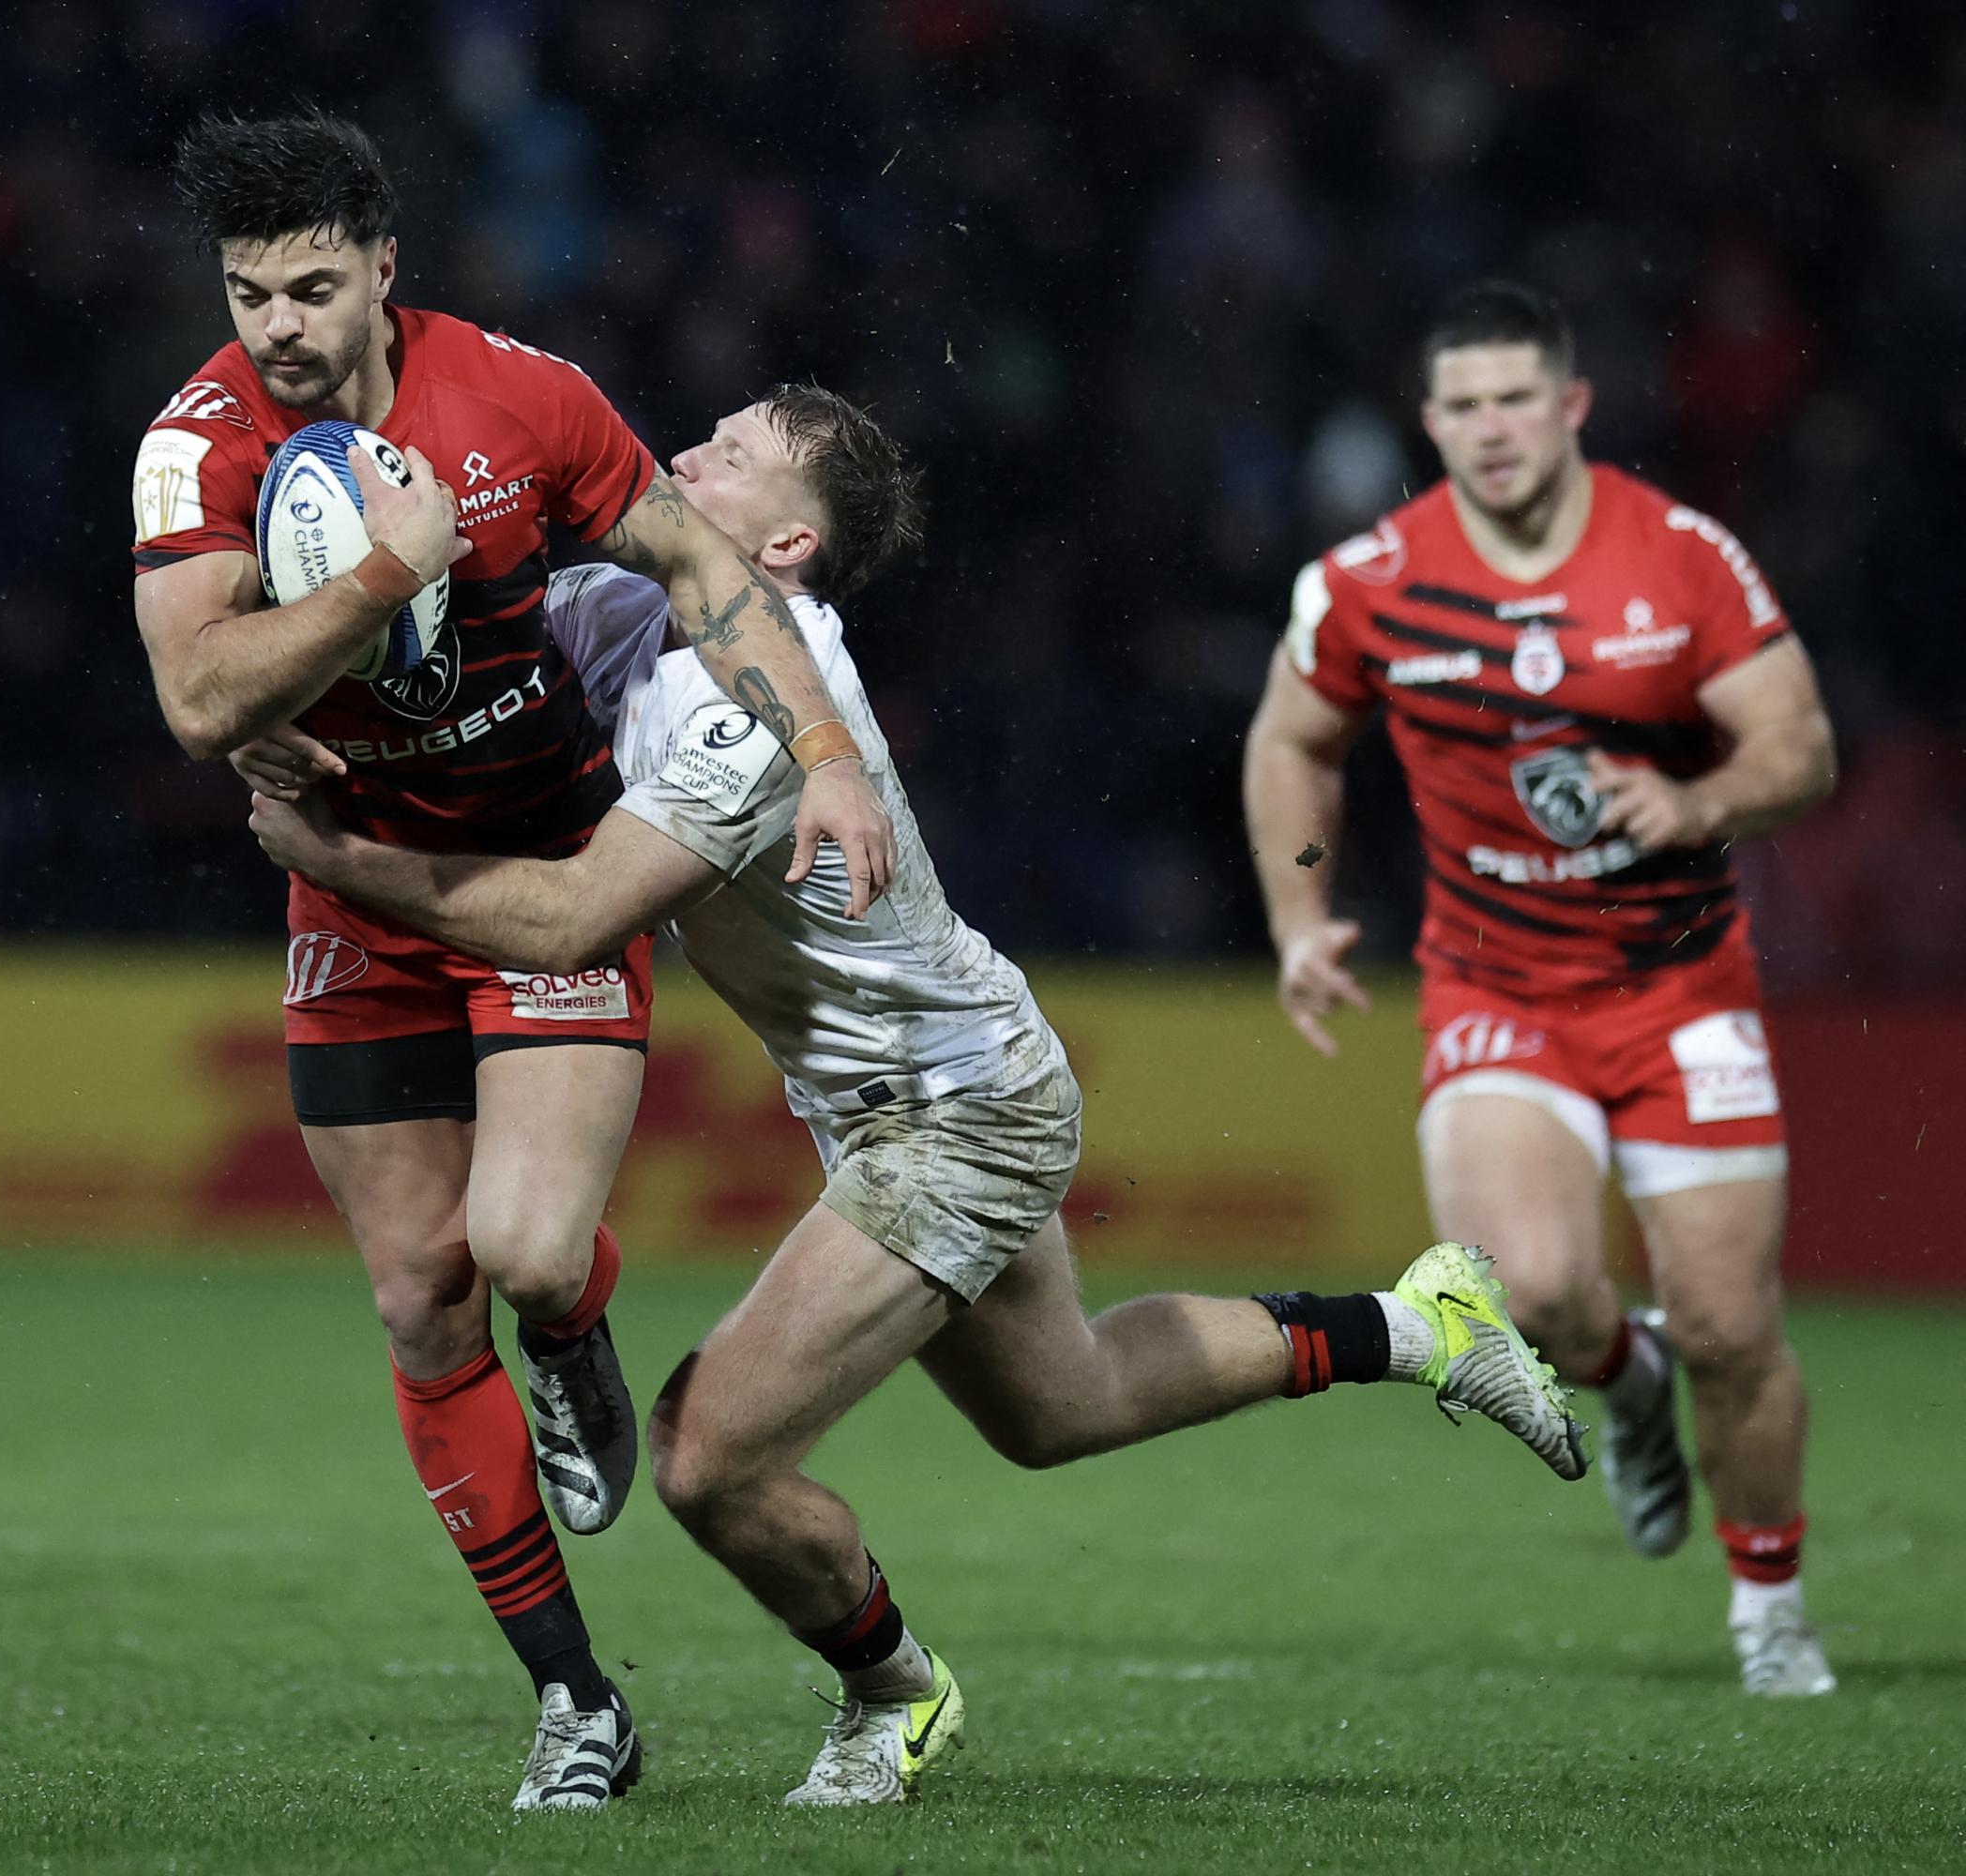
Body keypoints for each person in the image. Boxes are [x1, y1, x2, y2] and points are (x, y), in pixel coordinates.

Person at [243, 385, 1585, 1805]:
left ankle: (893, 1692)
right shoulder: (626, 604)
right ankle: (1412, 1324)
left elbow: (575, 920)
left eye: (730, 457)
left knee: (708, 1458)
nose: (682, 455)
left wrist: (338, 858)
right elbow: (449, 677)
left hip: (958, 1113)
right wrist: (290, 701)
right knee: (1060, 1405)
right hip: (933, 1079)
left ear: (786, 548)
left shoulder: (756, 701)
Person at [129, 112, 897, 1812]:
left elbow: (702, 563)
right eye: (250, 292)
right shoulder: (195, 450)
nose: (280, 327)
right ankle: (579, 1707)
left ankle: (573, 1337)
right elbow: (198, 704)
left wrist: (828, 754)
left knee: (531, 1256)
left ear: (386, 268)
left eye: (315, 287)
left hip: (542, 850)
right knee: (418, 1295)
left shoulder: (521, 397)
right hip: (358, 896)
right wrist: (383, 580)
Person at [1241, 280, 1839, 1696]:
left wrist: (1695, 806)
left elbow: (1800, 750)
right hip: (1495, 989)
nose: (1493, 427)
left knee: (1732, 1329)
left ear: (1572, 406)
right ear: (1430, 421)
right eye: (1464, 404)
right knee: (1545, 1298)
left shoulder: (1682, 558)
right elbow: (1292, 743)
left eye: (1520, 398)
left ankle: (1769, 1606)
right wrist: (1299, 911)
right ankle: (1627, 1393)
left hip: (1683, 992)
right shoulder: (1373, 577)